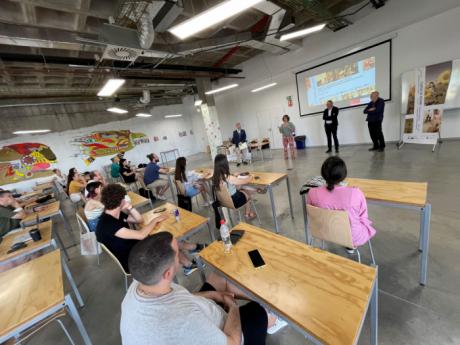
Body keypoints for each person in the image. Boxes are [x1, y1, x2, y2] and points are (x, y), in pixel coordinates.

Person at [120, 232, 287, 345]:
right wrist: (233, 307)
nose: (181, 254)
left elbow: (182, 297)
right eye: (178, 252)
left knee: (220, 276)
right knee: (264, 310)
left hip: (203, 314)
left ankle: (264, 306)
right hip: (226, 333)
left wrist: (213, 295)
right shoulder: (183, 321)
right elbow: (232, 342)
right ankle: (271, 318)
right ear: (168, 272)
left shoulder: (141, 282)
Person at [96, 184, 200, 275]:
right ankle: (189, 261)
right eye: (124, 197)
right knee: (165, 242)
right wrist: (155, 220)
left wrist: (130, 207)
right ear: (120, 201)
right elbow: (141, 235)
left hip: (134, 247)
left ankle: (191, 251)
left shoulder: (113, 212)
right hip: (133, 260)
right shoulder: (108, 224)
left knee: (164, 238)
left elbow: (139, 220)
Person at [307, 157, 376, 251]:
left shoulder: (312, 193)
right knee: (359, 222)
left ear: (323, 174)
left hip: (324, 232)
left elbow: (312, 214)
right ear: (343, 175)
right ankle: (350, 246)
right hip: (353, 237)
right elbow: (363, 216)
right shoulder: (355, 193)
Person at [212, 154, 257, 219]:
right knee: (248, 193)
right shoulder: (228, 177)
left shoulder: (215, 177)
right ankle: (247, 214)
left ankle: (256, 190)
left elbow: (229, 180)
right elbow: (244, 181)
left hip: (223, 201)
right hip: (234, 201)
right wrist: (251, 176)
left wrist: (233, 175)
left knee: (241, 188)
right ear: (225, 164)